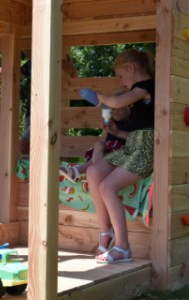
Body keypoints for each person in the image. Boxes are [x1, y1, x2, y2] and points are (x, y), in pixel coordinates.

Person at [86, 48, 155, 264]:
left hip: (146, 150)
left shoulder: (145, 87)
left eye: (120, 75)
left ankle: (123, 247)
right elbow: (139, 131)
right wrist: (116, 133)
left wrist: (100, 98)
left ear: (131, 68)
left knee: (107, 187)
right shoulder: (139, 93)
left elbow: (116, 102)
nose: (122, 81)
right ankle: (106, 232)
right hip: (132, 145)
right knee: (93, 172)